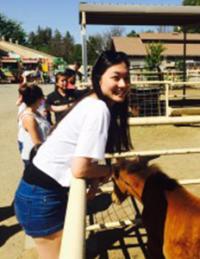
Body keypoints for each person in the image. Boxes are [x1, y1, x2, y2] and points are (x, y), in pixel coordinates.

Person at [14, 50, 132, 259]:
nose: (123, 84)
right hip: (42, 197)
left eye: (126, 77)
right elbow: (80, 167)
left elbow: (86, 156)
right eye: (116, 77)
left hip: (38, 194)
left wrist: (95, 180)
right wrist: (112, 170)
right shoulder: (98, 108)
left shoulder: (90, 101)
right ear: (99, 77)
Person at [17, 84, 50, 167]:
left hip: (40, 154)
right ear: (37, 99)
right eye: (42, 97)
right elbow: (37, 142)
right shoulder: (29, 118)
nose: (43, 100)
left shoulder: (36, 112)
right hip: (33, 157)